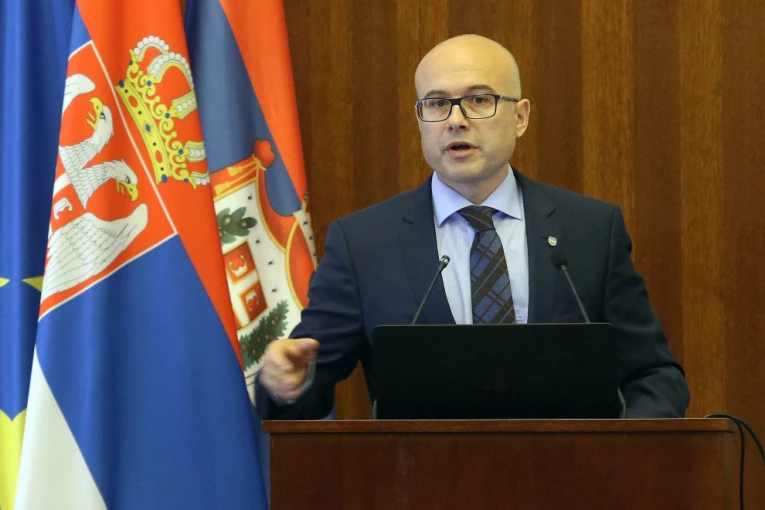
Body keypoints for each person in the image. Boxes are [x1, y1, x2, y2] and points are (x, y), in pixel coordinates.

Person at [255, 34, 690, 419]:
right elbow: (307, 383)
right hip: (418, 476)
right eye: (436, 103)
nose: (455, 119)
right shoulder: (363, 243)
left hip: (571, 474)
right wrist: (284, 383)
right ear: (420, 120)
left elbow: (654, 374)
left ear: (520, 116)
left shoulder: (590, 230)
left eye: (479, 100)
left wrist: (622, 453)